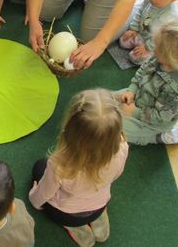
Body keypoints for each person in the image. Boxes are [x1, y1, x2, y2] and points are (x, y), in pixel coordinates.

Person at [29, 89, 129, 247]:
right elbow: (117, 174)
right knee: (92, 200)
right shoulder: (122, 147)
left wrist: (34, 200)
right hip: (99, 205)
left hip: (67, 215)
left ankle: (76, 226)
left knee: (39, 166)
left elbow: (45, 192)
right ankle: (98, 219)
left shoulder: (59, 164)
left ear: (72, 131)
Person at [120, 20, 178, 145]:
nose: (153, 49)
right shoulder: (161, 58)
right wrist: (131, 90)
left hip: (152, 122)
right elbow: (143, 70)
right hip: (141, 97)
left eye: (157, 48)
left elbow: (161, 117)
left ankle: (160, 136)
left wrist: (134, 112)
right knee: (107, 102)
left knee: (115, 130)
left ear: (171, 58)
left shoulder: (177, 88)